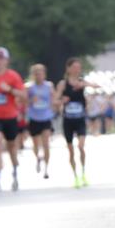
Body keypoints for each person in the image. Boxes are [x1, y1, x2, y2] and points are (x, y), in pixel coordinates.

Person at [0, 46, 26, 192]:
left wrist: (9, 90)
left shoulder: (13, 76)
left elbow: (23, 95)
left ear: (6, 60)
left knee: (12, 148)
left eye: (1, 58)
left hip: (10, 116)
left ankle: (15, 175)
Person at [56, 57, 89, 188]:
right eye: (74, 67)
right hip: (68, 120)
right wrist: (61, 101)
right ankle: (75, 176)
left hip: (80, 119)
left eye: (78, 67)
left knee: (81, 146)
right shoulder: (63, 84)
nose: (77, 70)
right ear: (68, 69)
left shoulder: (82, 82)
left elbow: (92, 87)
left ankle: (83, 173)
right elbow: (55, 100)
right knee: (71, 151)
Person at [27, 64, 55, 179]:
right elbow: (24, 102)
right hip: (34, 118)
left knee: (46, 143)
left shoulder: (49, 86)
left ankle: (46, 169)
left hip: (46, 117)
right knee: (35, 144)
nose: (39, 75)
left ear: (44, 74)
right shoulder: (29, 87)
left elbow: (53, 99)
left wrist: (54, 106)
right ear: (33, 75)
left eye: (41, 73)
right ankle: (38, 157)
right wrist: (31, 100)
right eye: (36, 73)